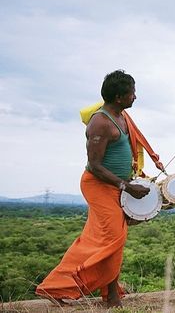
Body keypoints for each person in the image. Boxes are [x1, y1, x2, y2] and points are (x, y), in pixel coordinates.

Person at [36, 70, 160, 308]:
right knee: (114, 238)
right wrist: (126, 186)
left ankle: (104, 293)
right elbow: (94, 166)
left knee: (104, 240)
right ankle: (74, 289)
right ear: (118, 97)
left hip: (117, 186)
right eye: (131, 93)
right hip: (99, 185)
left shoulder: (122, 117)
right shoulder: (100, 123)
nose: (135, 97)